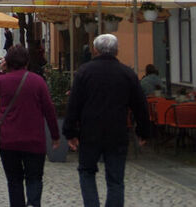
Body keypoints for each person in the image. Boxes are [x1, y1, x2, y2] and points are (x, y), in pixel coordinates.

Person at [62, 34, 151, 207]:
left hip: (90, 132)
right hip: (117, 132)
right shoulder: (127, 74)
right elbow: (140, 106)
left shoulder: (84, 72)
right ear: (117, 51)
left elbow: (74, 104)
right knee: (116, 179)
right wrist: (143, 131)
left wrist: (70, 132)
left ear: (95, 50)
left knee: (87, 172)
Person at [0, 45, 61, 207]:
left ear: (7, 62)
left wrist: (1, 71)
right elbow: (49, 110)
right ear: (27, 62)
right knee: (34, 178)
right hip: (34, 140)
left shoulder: (3, 80)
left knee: (14, 180)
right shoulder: (38, 81)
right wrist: (55, 136)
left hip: (8, 140)